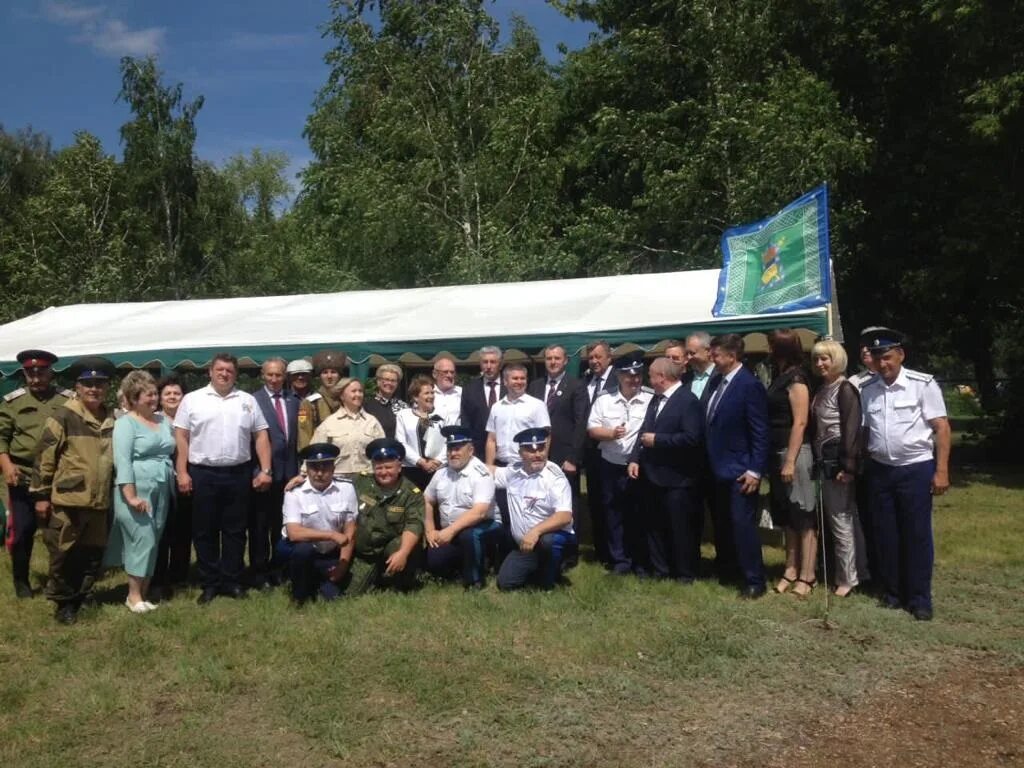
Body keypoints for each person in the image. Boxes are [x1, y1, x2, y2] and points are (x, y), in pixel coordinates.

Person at [859, 328, 950, 621]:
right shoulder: (868, 389)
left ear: (900, 355)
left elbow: (942, 428)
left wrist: (942, 470)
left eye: (887, 357)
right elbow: (865, 430)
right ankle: (893, 593)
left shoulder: (922, 385)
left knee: (916, 534)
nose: (882, 363)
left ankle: (920, 598)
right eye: (877, 358)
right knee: (886, 534)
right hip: (880, 470)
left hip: (915, 468)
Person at [173, 352, 273, 605]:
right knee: (204, 531)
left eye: (229, 370)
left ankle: (232, 580)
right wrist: (182, 471)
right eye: (220, 369)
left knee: (235, 531)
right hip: (203, 473)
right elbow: (181, 437)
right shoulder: (192, 400)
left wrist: (266, 470)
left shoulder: (247, 400)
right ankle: (210, 583)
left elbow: (260, 435)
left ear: (236, 374)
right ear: (210, 372)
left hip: (238, 473)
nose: (224, 374)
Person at [30, 356, 116, 624]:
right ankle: (63, 603)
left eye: (99, 384)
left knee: (92, 553)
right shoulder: (64, 416)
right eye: (88, 384)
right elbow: (44, 457)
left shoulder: (111, 417)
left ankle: (83, 594)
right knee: (63, 552)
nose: (94, 389)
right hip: (69, 499)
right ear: (77, 387)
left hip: (99, 500)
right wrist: (41, 495)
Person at [0, 349, 73, 599]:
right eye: (30, 374)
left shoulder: (68, 400)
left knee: (58, 532)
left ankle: (59, 580)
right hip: (23, 475)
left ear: (51, 373)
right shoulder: (13, 402)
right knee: (22, 532)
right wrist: (7, 466)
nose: (35, 378)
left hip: (59, 477)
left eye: (40, 372)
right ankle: (21, 580)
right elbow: (1, 438)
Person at [627, 356, 705, 582]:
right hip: (652, 476)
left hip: (677, 478)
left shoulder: (688, 401)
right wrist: (634, 459)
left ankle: (684, 574)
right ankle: (660, 570)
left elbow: (692, 438)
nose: (648, 380)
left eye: (650, 375)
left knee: (680, 529)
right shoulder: (656, 399)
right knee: (654, 526)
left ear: (661, 377)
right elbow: (644, 431)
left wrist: (659, 440)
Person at [704, 334, 770, 599]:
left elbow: (760, 431)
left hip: (741, 470)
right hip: (717, 467)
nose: (712, 358)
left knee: (742, 526)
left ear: (732, 356)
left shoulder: (748, 385)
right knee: (725, 525)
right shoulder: (718, 381)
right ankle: (730, 570)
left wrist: (755, 470)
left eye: (717, 354)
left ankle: (755, 579)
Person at [104, 371, 175, 613]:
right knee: (141, 539)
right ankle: (133, 596)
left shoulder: (164, 421)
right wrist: (131, 496)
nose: (154, 398)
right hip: (136, 489)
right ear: (133, 398)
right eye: (148, 395)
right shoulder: (125, 424)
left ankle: (143, 593)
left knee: (154, 538)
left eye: (155, 393)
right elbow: (122, 462)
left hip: (162, 488)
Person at [811, 339, 869, 597]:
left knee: (841, 519)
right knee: (840, 517)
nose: (820, 364)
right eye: (816, 359)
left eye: (825, 358)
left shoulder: (845, 388)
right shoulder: (822, 388)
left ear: (838, 360)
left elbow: (852, 430)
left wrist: (848, 465)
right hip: (823, 461)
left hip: (839, 461)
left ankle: (848, 578)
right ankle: (851, 571)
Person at [587, 352, 652, 575]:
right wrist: (611, 433)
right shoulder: (604, 400)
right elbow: (592, 429)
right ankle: (620, 561)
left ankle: (640, 561)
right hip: (611, 464)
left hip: (640, 466)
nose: (633, 380)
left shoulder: (651, 398)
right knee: (613, 514)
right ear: (619, 376)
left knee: (640, 515)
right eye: (628, 376)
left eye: (637, 375)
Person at [765, 330, 818, 597]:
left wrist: (789, 460)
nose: (768, 350)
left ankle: (808, 575)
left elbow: (800, 421)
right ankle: (790, 568)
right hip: (776, 452)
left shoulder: (797, 378)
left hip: (794, 453)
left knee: (803, 515)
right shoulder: (779, 376)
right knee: (786, 516)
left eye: (771, 345)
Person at [494, 427, 577, 590]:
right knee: (505, 583)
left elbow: (564, 516)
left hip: (555, 538)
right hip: (526, 544)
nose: (537, 454)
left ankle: (551, 576)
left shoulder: (555, 477)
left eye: (541, 448)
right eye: (531, 450)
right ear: (520, 453)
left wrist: (535, 532)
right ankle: (538, 569)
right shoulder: (513, 473)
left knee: (547, 543)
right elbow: (488, 472)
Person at [276, 443, 358, 605]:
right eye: (314, 468)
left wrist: (343, 564)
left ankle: (317, 580)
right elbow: (294, 533)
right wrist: (332, 535)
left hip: (329, 552)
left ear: (333, 468)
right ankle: (299, 594)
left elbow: (350, 529)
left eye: (325, 468)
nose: (319, 473)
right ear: (307, 469)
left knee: (333, 597)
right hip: (299, 549)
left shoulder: (347, 489)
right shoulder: (294, 493)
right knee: (303, 550)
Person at [423, 425, 503, 588]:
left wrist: (449, 531)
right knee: (434, 562)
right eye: (450, 448)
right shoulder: (441, 474)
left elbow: (479, 512)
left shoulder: (481, 474)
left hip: (486, 526)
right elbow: (427, 500)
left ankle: (475, 581)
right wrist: (430, 530)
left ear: (471, 450)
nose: (453, 453)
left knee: (470, 535)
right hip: (452, 531)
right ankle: (463, 565)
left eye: (458, 448)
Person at [344, 438, 424, 595]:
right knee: (350, 594)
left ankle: (399, 582)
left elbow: (414, 524)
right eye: (378, 468)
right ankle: (377, 577)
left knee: (400, 546)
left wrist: (403, 553)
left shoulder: (411, 493)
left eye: (388, 467)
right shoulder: (360, 481)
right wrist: (302, 479)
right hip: (365, 554)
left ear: (399, 467)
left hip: (391, 549)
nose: (383, 472)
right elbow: (334, 485)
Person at [250, 358, 300, 588]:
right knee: (260, 526)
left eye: (278, 375)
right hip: (263, 474)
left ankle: (279, 568)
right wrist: (257, 470)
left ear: (285, 376)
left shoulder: (294, 400)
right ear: (263, 375)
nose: (274, 379)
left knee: (282, 525)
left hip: (290, 474)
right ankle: (259, 572)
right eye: (270, 374)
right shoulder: (252, 401)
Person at [528, 344, 587, 505]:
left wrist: (573, 458)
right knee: (542, 499)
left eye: (557, 358)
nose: (553, 362)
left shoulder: (577, 385)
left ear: (565, 361)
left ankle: (570, 531)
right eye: (549, 358)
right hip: (538, 453)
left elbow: (581, 423)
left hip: (564, 456)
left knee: (566, 501)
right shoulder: (535, 386)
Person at [151, 374, 191, 597]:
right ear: (160, 398)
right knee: (162, 529)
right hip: (161, 481)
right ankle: (158, 577)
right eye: (168, 393)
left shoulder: (191, 418)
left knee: (183, 529)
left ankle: (180, 575)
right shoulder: (154, 420)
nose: (173, 397)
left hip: (186, 480)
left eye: (177, 393)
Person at [583, 340, 619, 566]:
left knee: (614, 504)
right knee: (596, 503)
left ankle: (619, 552)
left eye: (598, 357)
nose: (594, 361)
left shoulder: (621, 379)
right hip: (591, 452)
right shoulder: (586, 380)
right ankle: (602, 551)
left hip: (615, 452)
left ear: (609, 358)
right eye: (591, 358)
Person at [310, 377, 385, 479]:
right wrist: (303, 474)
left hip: (367, 480)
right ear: (342, 396)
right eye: (353, 391)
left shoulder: (372, 422)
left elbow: (382, 453)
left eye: (360, 391)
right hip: (338, 480)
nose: (358, 395)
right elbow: (314, 453)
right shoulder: (329, 423)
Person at [395, 374, 446, 490]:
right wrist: (421, 461)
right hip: (411, 470)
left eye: (432, 392)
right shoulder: (403, 415)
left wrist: (437, 461)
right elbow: (401, 442)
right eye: (427, 393)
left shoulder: (443, 414)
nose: (431, 396)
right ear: (416, 397)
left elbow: (448, 441)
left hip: (438, 469)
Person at [297, 349, 347, 451]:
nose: (329, 376)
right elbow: (304, 434)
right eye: (325, 372)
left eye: (333, 372)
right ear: (320, 376)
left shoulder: (347, 400)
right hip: (321, 456)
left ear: (339, 375)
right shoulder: (310, 403)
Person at [459, 346, 504, 457]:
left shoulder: (510, 386)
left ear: (500, 364)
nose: (488, 366)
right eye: (485, 362)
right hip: (479, 452)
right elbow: (466, 422)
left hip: (506, 451)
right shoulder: (469, 389)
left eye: (493, 362)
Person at [363, 363, 409, 439]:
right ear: (378, 381)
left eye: (393, 381)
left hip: (399, 448)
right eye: (386, 379)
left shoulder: (403, 407)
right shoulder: (367, 406)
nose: (389, 383)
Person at [431, 354, 462, 427]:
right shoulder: (428, 394)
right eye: (445, 372)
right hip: (432, 436)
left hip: (457, 436)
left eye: (452, 372)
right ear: (435, 374)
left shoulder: (463, 393)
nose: (449, 375)